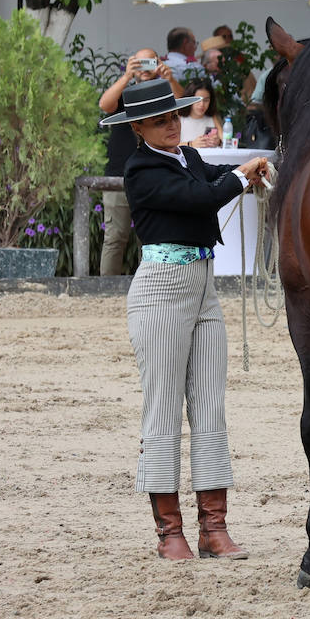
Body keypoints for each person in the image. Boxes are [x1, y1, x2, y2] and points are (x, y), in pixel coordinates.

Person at [99, 78, 268, 562]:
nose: (172, 125)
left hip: (203, 286)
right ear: (137, 128)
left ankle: (214, 528)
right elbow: (200, 199)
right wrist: (239, 177)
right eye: (159, 121)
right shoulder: (140, 170)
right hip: (160, 291)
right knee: (163, 409)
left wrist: (243, 174)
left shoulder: (188, 158)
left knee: (211, 405)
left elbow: (210, 185)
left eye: (174, 117)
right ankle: (169, 532)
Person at [97, 49, 186, 276]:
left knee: (151, 235)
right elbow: (105, 105)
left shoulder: (163, 93)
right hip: (119, 173)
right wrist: (127, 76)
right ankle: (106, 288)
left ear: (159, 64)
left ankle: (150, 281)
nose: (146, 68)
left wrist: (169, 78)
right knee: (115, 237)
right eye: (141, 62)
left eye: (151, 62)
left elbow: (182, 106)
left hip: (155, 173)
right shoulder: (127, 93)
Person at [178, 80, 223, 149]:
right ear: (189, 99)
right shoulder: (179, 118)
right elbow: (168, 146)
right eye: (197, 100)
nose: (202, 105)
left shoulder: (213, 117)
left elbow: (225, 141)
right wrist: (191, 144)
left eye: (206, 100)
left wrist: (218, 142)